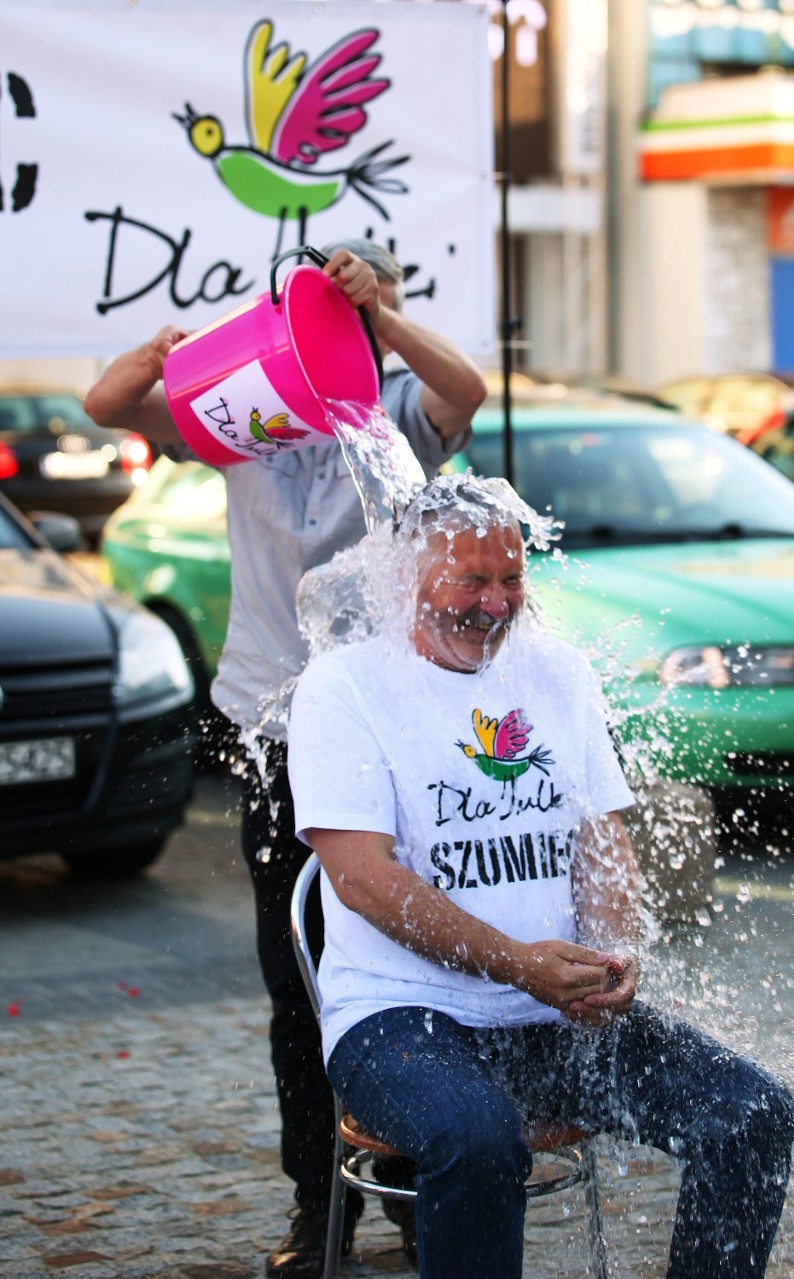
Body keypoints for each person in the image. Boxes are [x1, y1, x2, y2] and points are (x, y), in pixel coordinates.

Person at [83, 243, 487, 1279]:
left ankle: (409, 1185)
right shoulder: (244, 415)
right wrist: (171, 351)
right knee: (297, 975)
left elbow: (466, 388)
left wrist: (379, 324)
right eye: (340, 304)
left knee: (407, 961)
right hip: (273, 726)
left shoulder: (397, 410)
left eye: (376, 301)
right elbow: (105, 402)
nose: (355, 321)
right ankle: (321, 1204)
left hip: (392, 728)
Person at [286, 473, 794, 1279]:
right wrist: (517, 963)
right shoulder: (343, 687)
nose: (496, 603)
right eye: (471, 581)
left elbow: (602, 843)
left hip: (550, 1012)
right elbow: (360, 879)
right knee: (477, 1137)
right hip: (398, 1020)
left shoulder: (557, 672)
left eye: (512, 579)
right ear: (403, 582)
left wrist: (615, 952)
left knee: (752, 1113)